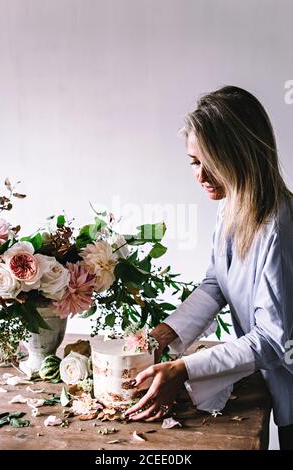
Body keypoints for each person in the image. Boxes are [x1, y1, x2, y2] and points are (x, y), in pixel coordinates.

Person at [125, 86, 293, 450]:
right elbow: (217, 282)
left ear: (241, 155)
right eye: (193, 161)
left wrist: (184, 368)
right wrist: (165, 333)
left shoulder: (278, 227)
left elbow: (273, 339)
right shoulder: (231, 205)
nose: (200, 175)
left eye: (210, 161)